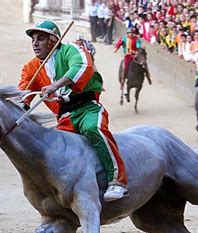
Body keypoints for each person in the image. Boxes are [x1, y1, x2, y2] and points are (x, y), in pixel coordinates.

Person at [18, 20, 128, 201]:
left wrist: (56, 85)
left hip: (87, 109)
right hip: (64, 118)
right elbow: (23, 94)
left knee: (93, 129)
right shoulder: (30, 68)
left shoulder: (71, 50)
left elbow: (82, 66)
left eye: (41, 38)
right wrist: (20, 106)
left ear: (53, 40)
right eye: (33, 40)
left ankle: (117, 181)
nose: (35, 43)